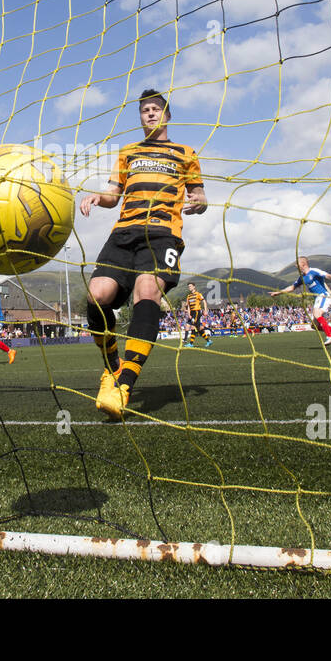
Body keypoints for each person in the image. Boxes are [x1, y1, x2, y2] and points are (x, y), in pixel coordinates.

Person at [81, 89, 207, 419]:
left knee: (147, 290)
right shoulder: (127, 152)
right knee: (97, 296)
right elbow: (113, 194)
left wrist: (200, 203)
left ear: (166, 115)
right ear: (140, 117)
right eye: (144, 110)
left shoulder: (186, 153)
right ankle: (111, 366)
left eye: (156, 109)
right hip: (123, 234)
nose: (150, 114)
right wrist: (98, 197)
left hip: (163, 234)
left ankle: (123, 386)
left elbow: (199, 194)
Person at [270, 257, 331, 346]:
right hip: (317, 299)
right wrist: (278, 293)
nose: (296, 266)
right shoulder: (302, 277)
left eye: (297, 264)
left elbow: (329, 276)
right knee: (314, 326)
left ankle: (329, 337)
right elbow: (292, 287)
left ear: (303, 264)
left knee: (317, 314)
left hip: (324, 295)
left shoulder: (314, 271)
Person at [182, 282, 211, 347]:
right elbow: (188, 306)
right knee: (198, 328)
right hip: (192, 313)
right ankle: (208, 341)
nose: (189, 287)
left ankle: (191, 343)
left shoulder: (198, 294)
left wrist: (205, 310)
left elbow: (204, 301)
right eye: (188, 286)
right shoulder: (189, 296)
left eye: (190, 286)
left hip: (197, 312)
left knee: (192, 327)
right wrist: (189, 314)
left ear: (194, 287)